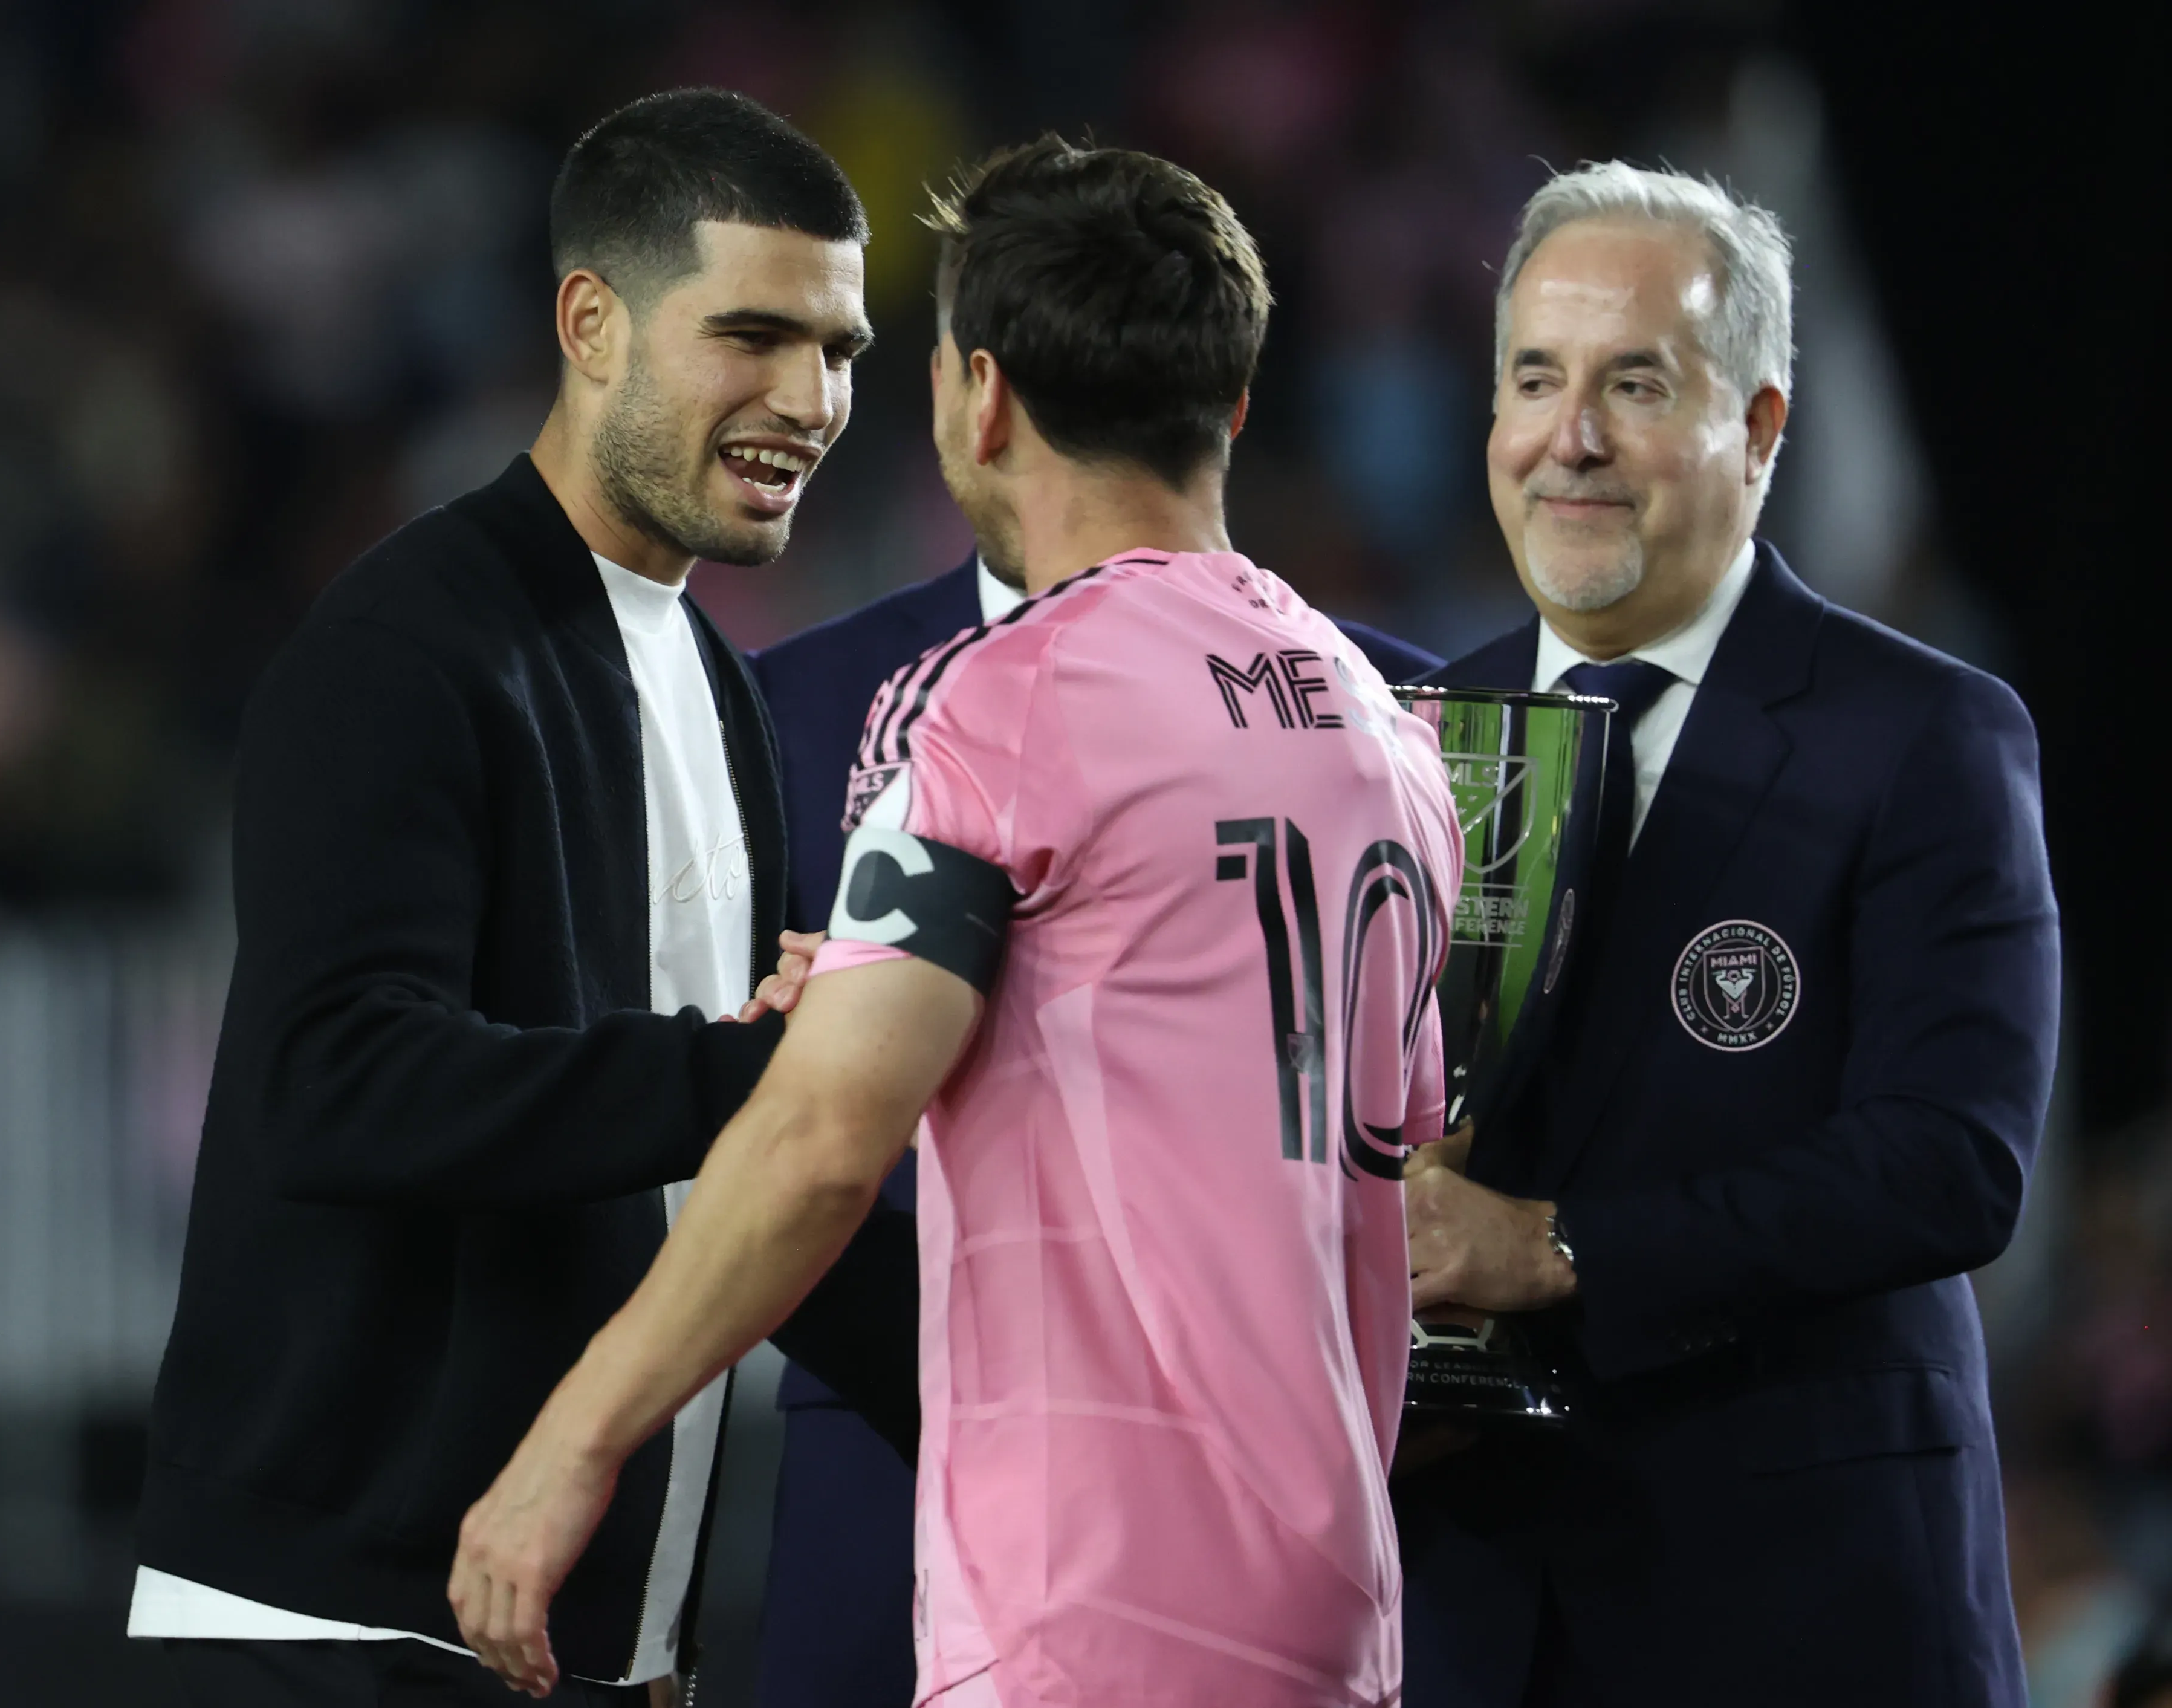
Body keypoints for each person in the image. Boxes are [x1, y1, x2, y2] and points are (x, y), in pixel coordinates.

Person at [449, 135, 1462, 1708]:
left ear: (977, 396)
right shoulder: (1388, 734)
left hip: (1088, 1601)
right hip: (1331, 1607)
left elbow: (815, 1149)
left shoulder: (1003, 700)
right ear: (1230, 404)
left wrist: (569, 1447)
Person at [126, 88, 918, 1708]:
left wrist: (1053, 1401)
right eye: (752, 335)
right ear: (591, 324)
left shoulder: (712, 679)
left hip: (574, 1645)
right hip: (335, 1633)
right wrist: (747, 1075)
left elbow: (734, 1186)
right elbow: (336, 1083)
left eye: (838, 349)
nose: (810, 398)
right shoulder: (399, 653)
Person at [1397, 163, 2058, 1706]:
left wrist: (1558, 1248)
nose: (1570, 437)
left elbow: (1951, 1159)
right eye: (1534, 379)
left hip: (1804, 1602)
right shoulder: (1405, 736)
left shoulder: (1924, 733)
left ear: (1759, 426)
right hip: (1474, 1609)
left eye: (1634, 383)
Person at [747, 553, 1442, 1708]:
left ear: (974, 400)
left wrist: (582, 1436)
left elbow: (1410, 1154)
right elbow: (771, 1091)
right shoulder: (790, 694)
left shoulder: (1392, 702)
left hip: (1195, 1527)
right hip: (872, 1481)